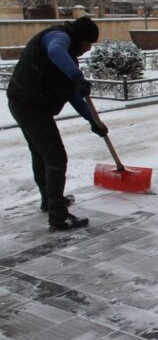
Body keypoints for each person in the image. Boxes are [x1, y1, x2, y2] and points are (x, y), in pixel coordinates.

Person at [7, 17, 108, 231]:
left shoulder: (69, 54)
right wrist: (77, 76)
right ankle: (58, 216)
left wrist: (93, 121)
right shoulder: (58, 37)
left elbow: (73, 95)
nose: (89, 49)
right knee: (55, 157)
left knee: (42, 154)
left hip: (27, 102)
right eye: (89, 43)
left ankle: (50, 201)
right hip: (28, 104)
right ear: (79, 38)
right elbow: (55, 51)